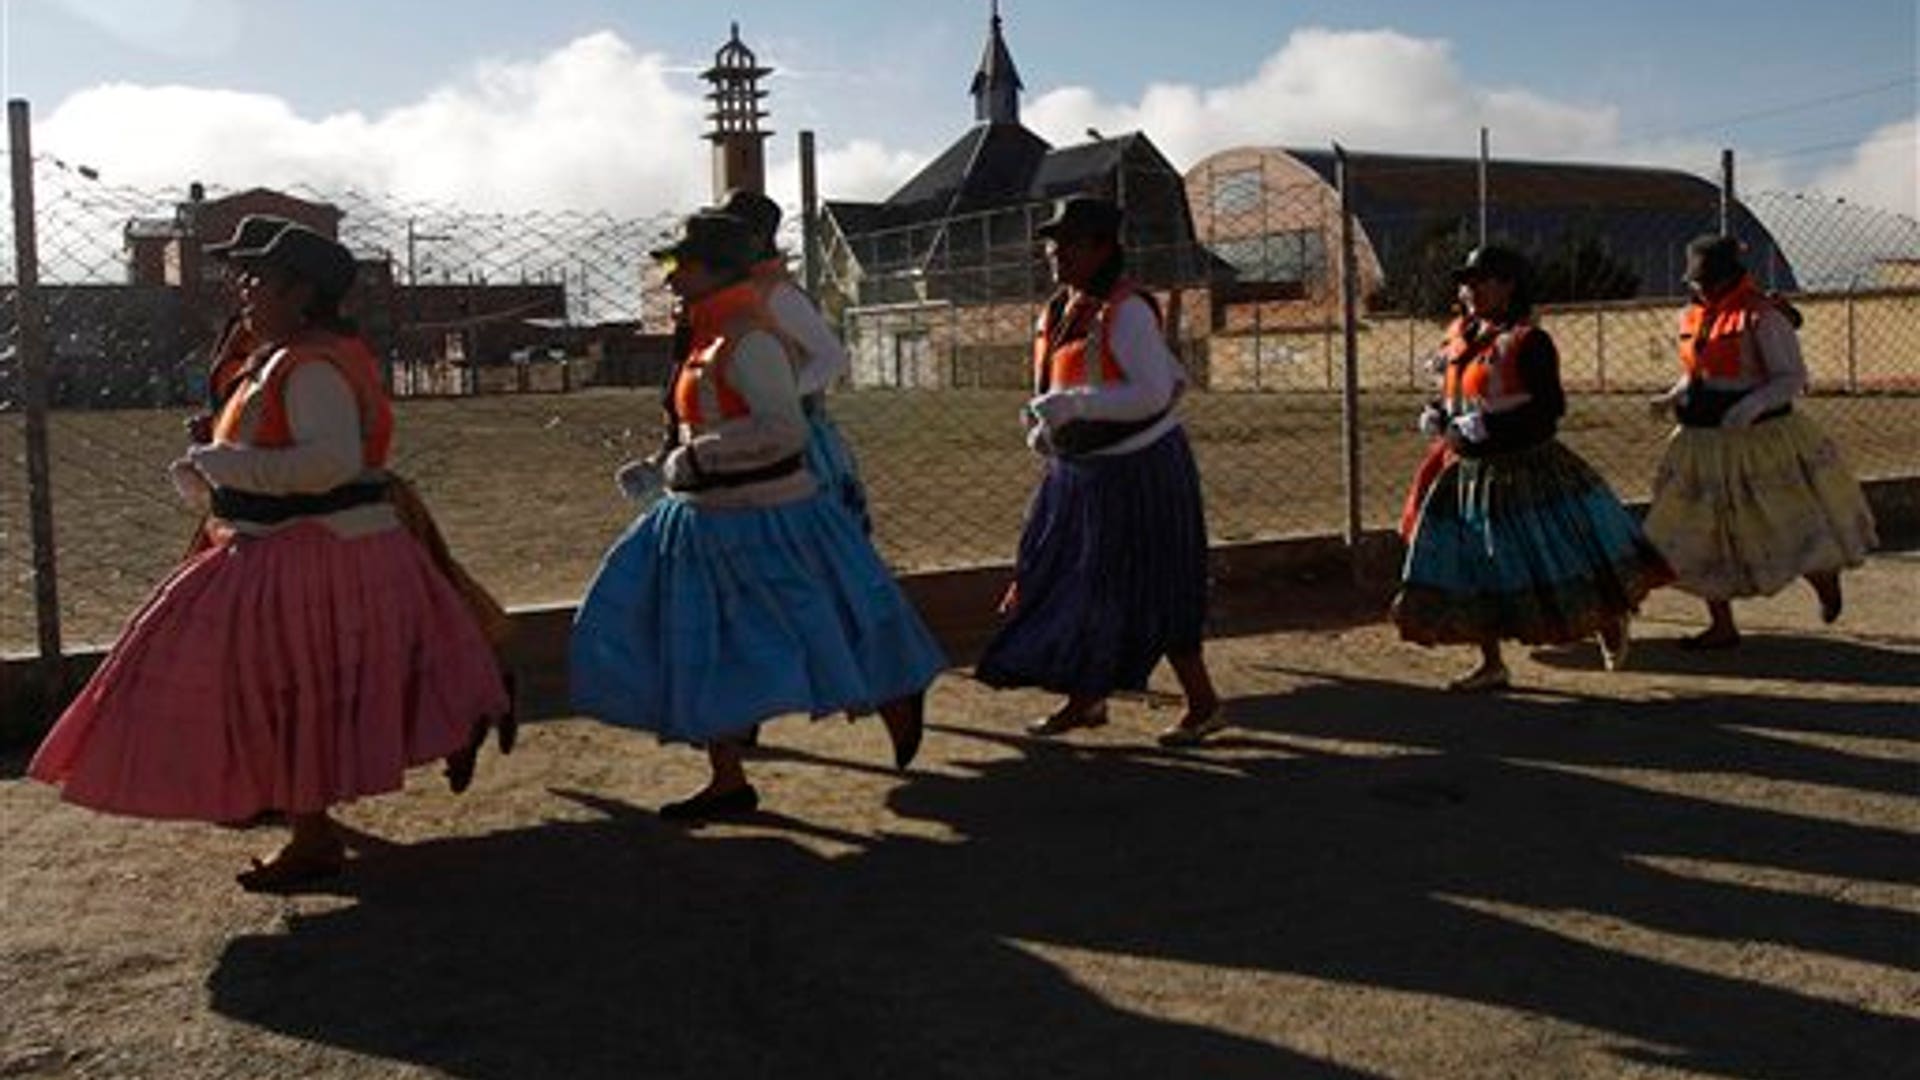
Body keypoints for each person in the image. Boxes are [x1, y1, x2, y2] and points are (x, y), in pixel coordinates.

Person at [28, 225, 510, 890]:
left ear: (302, 290)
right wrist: (221, 471)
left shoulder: (308, 365)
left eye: (258, 278)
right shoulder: (284, 357)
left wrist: (223, 465)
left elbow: (330, 460)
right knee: (295, 689)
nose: (243, 289)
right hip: (293, 545)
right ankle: (321, 806)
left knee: (291, 692)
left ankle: (312, 837)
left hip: (312, 552)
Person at [569, 211, 944, 821]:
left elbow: (782, 429)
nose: (669, 279)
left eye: (678, 265)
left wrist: (694, 457)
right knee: (699, 642)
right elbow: (713, 422)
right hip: (707, 516)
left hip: (774, 517)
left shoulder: (751, 338)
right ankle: (728, 778)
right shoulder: (709, 337)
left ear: (715, 269)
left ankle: (894, 692)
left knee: (825, 621)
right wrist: (663, 463)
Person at [974, 194, 1222, 747]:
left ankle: (1202, 702)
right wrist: (1048, 424)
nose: (1053, 252)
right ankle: (1087, 699)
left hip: (1142, 469)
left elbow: (1154, 392)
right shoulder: (1062, 309)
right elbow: (1062, 385)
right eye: (1050, 242)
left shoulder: (1125, 309)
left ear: (1102, 247)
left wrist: (1075, 405)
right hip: (1083, 470)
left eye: (1066, 242)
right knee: (1077, 580)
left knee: (1158, 583)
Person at [1392, 244, 1669, 691]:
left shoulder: (1529, 341)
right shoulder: (1460, 336)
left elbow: (1549, 410)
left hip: (1525, 469)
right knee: (1474, 566)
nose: (1469, 289)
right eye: (1466, 282)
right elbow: (1456, 391)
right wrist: (1439, 413)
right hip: (1465, 470)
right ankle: (1491, 662)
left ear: (1508, 286)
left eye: (1481, 280)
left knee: (1553, 557)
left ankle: (1605, 616)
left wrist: (1490, 424)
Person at [1642, 235, 1876, 648]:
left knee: (1782, 522)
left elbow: (1791, 377)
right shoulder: (1690, 317)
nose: (1701, 288)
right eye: (1697, 281)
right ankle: (1722, 625)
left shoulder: (1764, 317)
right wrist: (1673, 395)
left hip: (1760, 439)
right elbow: (1699, 371)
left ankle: (1823, 579)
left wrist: (1751, 406)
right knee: (1700, 533)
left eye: (1709, 280)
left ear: (1731, 276)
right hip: (1702, 440)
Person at [716, 187, 871, 532]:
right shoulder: (742, 291)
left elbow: (831, 358)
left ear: (755, 237)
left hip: (795, 443)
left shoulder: (777, 294)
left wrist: (778, 395)